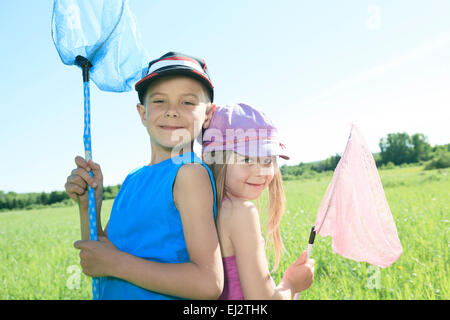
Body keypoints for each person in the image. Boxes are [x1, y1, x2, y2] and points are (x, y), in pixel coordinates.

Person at [64, 52, 223, 300]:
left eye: (188, 102)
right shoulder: (133, 179)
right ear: (142, 113)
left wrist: (116, 263)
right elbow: (101, 257)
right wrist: (88, 207)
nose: (172, 111)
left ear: (208, 115)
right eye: (159, 101)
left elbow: (208, 283)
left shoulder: (189, 173)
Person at [202, 103, 315, 299]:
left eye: (268, 160)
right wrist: (291, 284)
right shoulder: (242, 212)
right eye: (247, 160)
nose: (261, 171)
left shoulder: (203, 208)